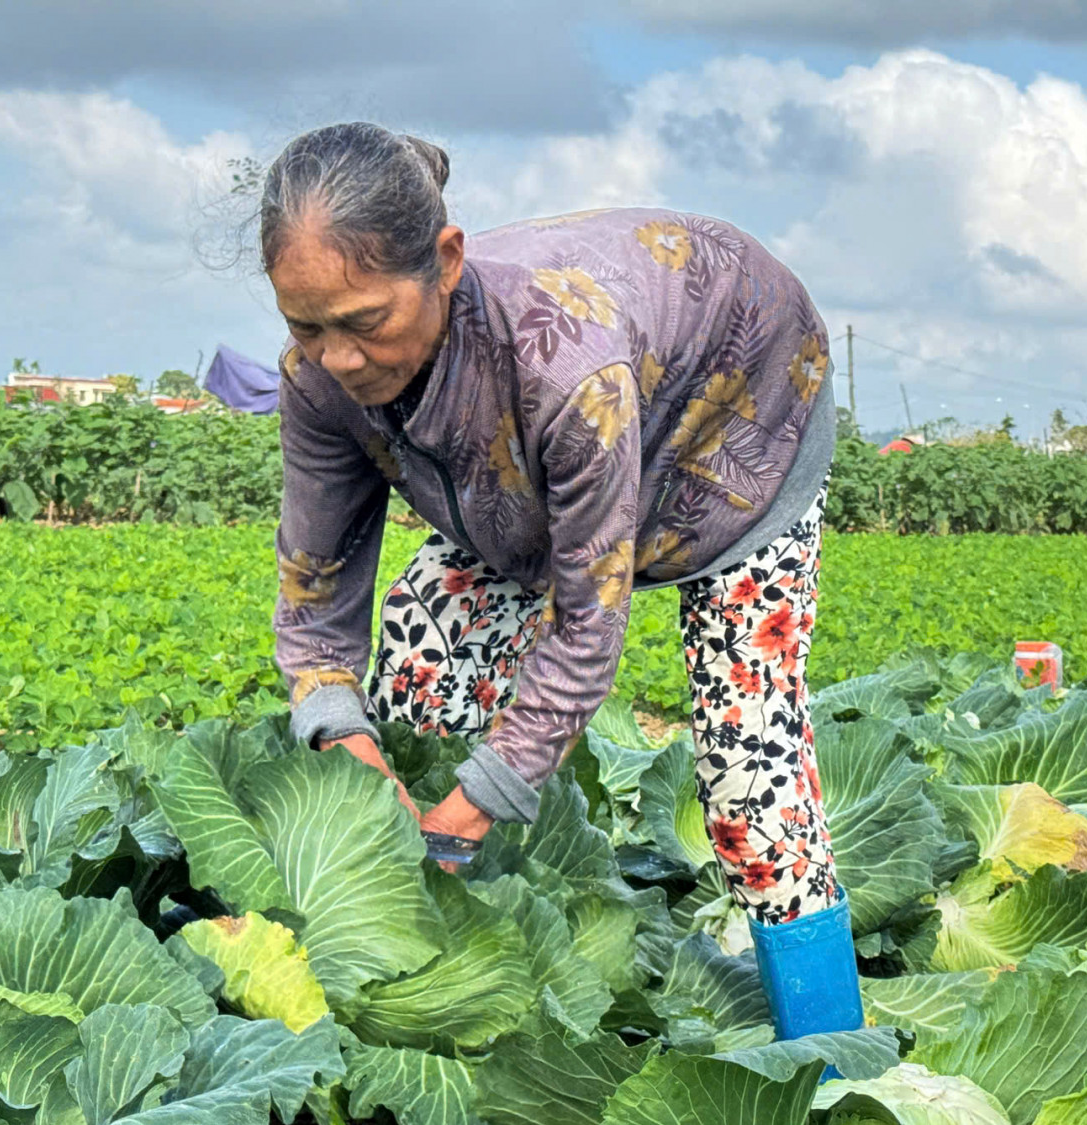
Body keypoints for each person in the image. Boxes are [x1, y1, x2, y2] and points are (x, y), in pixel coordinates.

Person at [262, 121, 860, 1045]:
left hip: (742, 412)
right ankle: (460, 989)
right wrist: (350, 747)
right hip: (528, 479)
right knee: (424, 657)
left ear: (446, 262)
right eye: (307, 325)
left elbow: (587, 627)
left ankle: (831, 1056)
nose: (339, 356)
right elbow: (315, 590)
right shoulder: (320, 383)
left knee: (749, 766)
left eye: (366, 322)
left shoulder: (564, 367)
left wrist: (484, 798)